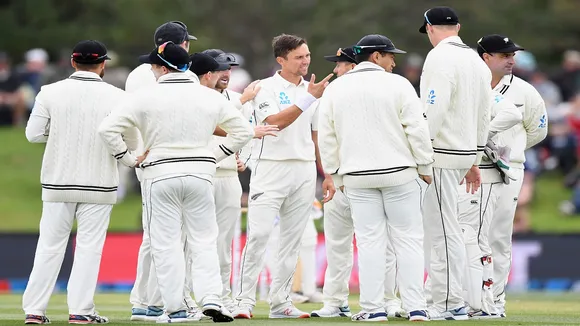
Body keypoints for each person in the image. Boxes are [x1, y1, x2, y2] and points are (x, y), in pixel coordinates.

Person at [98, 41, 253, 323]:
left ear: (161, 67)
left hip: (160, 173)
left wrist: (129, 159)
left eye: (154, 66)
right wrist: (214, 156)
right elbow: (243, 132)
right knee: (204, 240)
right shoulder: (209, 96)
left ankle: (177, 308)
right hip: (200, 174)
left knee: (166, 243)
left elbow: (107, 129)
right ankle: (211, 299)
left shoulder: (146, 95)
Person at [22, 40, 140, 325]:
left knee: (49, 246)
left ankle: (35, 311)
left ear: (73, 62)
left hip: (57, 181)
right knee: (89, 248)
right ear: (103, 64)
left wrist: (60, 133)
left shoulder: (49, 92)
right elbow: (132, 140)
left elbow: (33, 134)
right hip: (99, 183)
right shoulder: (118, 96)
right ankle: (80, 311)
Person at [318, 34, 433, 322]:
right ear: (375, 56)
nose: (394, 60)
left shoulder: (337, 88)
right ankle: (415, 307)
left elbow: (327, 135)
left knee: (370, 242)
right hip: (399, 173)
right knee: (408, 241)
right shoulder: (398, 84)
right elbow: (416, 128)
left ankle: (373, 309)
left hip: (356, 176)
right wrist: (425, 166)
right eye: (390, 55)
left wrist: (334, 173)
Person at [232, 33, 333, 319]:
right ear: (281, 60)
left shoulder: (311, 90)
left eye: (308, 55)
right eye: (299, 57)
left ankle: (281, 302)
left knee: (293, 239)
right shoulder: (265, 87)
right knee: (260, 235)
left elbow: (315, 138)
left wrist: (326, 174)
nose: (306, 61)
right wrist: (307, 99)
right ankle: (243, 302)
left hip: (303, 169)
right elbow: (275, 123)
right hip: (271, 166)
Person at [312, 45, 406, 319]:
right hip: (340, 179)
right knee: (337, 243)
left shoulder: (381, 94)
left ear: (353, 66)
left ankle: (389, 300)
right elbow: (323, 140)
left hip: (366, 179)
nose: (335, 69)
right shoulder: (332, 95)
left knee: (382, 243)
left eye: (340, 64)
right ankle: (335, 301)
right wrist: (329, 175)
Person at [124, 21, 203, 322]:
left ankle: (146, 301)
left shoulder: (136, 74)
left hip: (148, 161)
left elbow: (129, 121)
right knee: (175, 237)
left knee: (154, 234)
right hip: (172, 160)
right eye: (186, 43)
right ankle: (169, 301)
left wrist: (135, 155)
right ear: (180, 45)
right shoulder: (183, 75)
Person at [418, 6, 492, 320]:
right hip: (463, 152)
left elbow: (434, 107)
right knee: (446, 227)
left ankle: (449, 302)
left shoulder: (439, 57)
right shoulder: (477, 60)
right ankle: (450, 298)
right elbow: (483, 113)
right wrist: (475, 156)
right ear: (458, 27)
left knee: (442, 230)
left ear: (430, 28)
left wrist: (421, 151)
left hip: (441, 152)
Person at [476, 34, 548, 317]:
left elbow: (538, 131)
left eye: (512, 55)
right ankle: (471, 297)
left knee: (498, 236)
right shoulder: (471, 86)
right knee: (470, 235)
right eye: (504, 55)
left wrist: (510, 151)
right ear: (486, 57)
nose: (511, 60)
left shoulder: (525, 91)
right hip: (470, 168)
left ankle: (495, 301)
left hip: (508, 170)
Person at [458, 89, 522, 317]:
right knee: (468, 236)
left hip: (485, 174)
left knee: (476, 238)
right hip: (467, 172)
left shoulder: (485, 92)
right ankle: (475, 301)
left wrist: (480, 137)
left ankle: (485, 304)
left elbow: (513, 115)